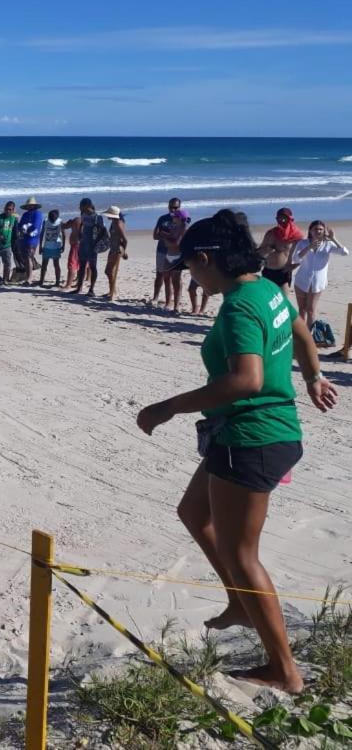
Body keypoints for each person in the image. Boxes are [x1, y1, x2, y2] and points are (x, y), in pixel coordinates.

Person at [137, 209, 338, 694]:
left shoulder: (239, 306)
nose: (192, 276)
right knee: (192, 511)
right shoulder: (269, 289)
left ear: (207, 259)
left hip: (254, 438)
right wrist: (313, 377)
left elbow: (244, 380)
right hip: (256, 433)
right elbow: (302, 333)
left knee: (242, 554)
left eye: (191, 268)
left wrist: (167, 408)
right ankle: (237, 602)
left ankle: (284, 671)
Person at [291, 221, 347, 330]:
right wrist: (309, 247)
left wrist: (333, 238)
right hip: (301, 281)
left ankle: (310, 337)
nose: (318, 231)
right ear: (310, 230)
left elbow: (344, 252)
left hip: (318, 283)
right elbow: (296, 258)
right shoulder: (303, 243)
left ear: (324, 231)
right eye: (316, 229)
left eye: (321, 229)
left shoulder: (328, 244)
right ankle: (302, 335)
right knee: (302, 309)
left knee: (311, 310)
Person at [152, 199, 188, 306]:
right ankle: (156, 297)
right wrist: (166, 236)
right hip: (162, 250)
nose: (173, 209)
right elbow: (155, 235)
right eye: (171, 207)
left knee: (176, 278)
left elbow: (179, 239)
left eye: (175, 207)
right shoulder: (163, 218)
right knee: (161, 275)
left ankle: (175, 301)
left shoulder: (182, 221)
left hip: (175, 252)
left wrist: (166, 236)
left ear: (179, 208)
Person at [259, 207, 304, 292]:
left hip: (283, 273)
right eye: (280, 218)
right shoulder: (270, 233)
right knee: (268, 301)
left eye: (285, 218)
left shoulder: (297, 236)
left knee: (283, 301)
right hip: (268, 271)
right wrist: (266, 250)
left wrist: (294, 266)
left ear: (290, 219)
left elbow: (305, 254)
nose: (282, 220)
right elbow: (259, 252)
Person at [71, 198, 106, 296]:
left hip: (92, 245)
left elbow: (102, 231)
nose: (80, 208)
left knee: (92, 266)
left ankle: (91, 289)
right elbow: (82, 223)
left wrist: (96, 242)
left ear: (87, 206)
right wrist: (79, 233)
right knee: (81, 266)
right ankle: (79, 288)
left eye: (81, 206)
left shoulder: (97, 217)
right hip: (83, 244)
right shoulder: (83, 214)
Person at [102, 206, 129, 301]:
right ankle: (112, 291)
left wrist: (124, 251)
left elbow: (125, 240)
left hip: (117, 249)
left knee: (109, 271)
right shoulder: (114, 223)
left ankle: (113, 292)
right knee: (109, 271)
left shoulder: (118, 223)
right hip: (113, 248)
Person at [18, 197, 44, 285]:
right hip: (23, 239)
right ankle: (28, 275)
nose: (29, 207)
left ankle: (29, 278)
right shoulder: (25, 214)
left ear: (34, 206)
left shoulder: (38, 214)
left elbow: (36, 226)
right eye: (28, 205)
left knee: (29, 257)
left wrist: (25, 229)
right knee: (25, 258)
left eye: (31, 205)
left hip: (32, 239)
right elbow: (20, 225)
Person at [37, 209, 65, 287]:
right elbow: (42, 233)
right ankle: (41, 281)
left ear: (57, 217)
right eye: (51, 218)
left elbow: (63, 234)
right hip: (47, 246)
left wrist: (63, 245)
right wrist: (40, 246)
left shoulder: (60, 221)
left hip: (56, 247)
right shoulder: (45, 221)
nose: (53, 220)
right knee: (44, 265)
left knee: (56, 264)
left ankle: (57, 282)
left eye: (54, 218)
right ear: (49, 217)